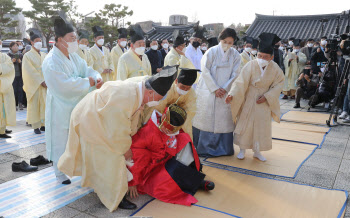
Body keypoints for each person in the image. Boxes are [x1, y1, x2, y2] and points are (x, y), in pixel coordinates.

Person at [57, 66, 177, 212]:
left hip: (101, 116)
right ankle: (115, 197)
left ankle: (101, 183)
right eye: (157, 99)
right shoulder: (124, 97)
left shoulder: (143, 85)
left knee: (103, 158)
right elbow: (117, 131)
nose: (157, 102)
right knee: (112, 158)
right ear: (150, 92)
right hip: (91, 119)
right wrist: (126, 149)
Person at [42, 16, 103, 184]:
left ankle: (79, 168)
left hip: (78, 105)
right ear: (60, 40)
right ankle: (59, 172)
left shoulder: (74, 56)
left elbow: (87, 69)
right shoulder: (51, 61)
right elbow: (62, 85)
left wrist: (96, 77)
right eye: (72, 38)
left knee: (79, 136)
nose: (75, 41)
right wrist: (86, 82)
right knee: (61, 138)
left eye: (75, 38)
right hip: (60, 106)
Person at [127, 104, 214, 206]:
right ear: (163, 120)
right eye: (167, 128)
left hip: (165, 161)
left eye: (171, 130)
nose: (168, 131)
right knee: (166, 181)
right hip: (149, 171)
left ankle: (195, 179)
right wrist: (132, 181)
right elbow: (137, 156)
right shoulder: (148, 132)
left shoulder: (171, 130)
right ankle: (194, 184)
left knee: (184, 139)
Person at [225, 32, 285, 162]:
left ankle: (257, 151)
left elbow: (279, 84)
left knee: (261, 126)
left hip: (264, 101)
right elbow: (240, 81)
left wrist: (268, 96)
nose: (261, 58)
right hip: (249, 99)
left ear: (271, 57)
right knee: (245, 124)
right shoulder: (250, 65)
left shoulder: (275, 69)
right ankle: (242, 149)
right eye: (259, 55)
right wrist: (232, 94)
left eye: (265, 56)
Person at [192, 28, 241, 157]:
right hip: (209, 90)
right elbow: (205, 70)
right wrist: (214, 88)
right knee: (206, 117)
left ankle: (224, 149)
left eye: (230, 42)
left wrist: (224, 88)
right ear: (220, 39)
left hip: (225, 91)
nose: (227, 45)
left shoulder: (235, 55)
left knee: (223, 119)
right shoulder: (211, 52)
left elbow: (235, 73)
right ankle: (204, 148)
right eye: (225, 41)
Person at [143, 68, 199, 139]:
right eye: (182, 87)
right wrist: (163, 123)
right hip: (160, 117)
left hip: (177, 121)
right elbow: (157, 107)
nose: (185, 90)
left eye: (188, 88)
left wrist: (177, 127)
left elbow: (190, 112)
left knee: (184, 138)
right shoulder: (167, 88)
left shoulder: (191, 94)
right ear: (176, 81)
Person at [22, 29, 47, 134]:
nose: (39, 43)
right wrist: (40, 80)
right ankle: (35, 126)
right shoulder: (27, 56)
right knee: (34, 105)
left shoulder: (44, 55)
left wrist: (47, 80)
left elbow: (48, 68)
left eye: (40, 40)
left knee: (44, 104)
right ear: (31, 42)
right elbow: (29, 71)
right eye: (36, 40)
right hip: (35, 85)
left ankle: (43, 124)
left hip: (45, 83)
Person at [0, 39, 16, 138]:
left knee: (4, 108)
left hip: (5, 86)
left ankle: (2, 128)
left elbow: (10, 67)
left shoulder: (5, 56)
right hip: (4, 83)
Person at [7, 42, 24, 111]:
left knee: (20, 90)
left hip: (20, 75)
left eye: (17, 46)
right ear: (10, 47)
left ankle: (20, 103)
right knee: (14, 90)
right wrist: (11, 62)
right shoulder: (8, 55)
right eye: (14, 46)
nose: (16, 47)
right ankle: (14, 104)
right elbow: (6, 66)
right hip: (12, 76)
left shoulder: (20, 55)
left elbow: (25, 65)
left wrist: (20, 62)